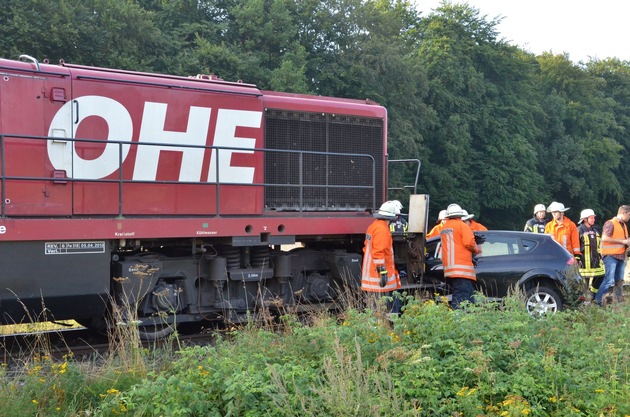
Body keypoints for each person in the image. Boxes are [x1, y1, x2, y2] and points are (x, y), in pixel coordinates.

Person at [361, 201, 402, 314]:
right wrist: (382, 270)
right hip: (378, 275)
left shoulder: (373, 226)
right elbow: (379, 251)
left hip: (371, 272)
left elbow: (368, 248)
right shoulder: (382, 230)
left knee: (374, 306)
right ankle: (389, 325)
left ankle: (375, 327)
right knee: (385, 304)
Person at [440, 203, 482, 309]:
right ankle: (458, 321)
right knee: (461, 298)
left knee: (469, 297)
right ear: (460, 215)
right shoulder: (462, 226)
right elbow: (469, 243)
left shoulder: (444, 228)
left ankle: (470, 319)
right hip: (462, 269)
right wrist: (476, 249)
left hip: (449, 269)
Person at [596, 205, 630, 306]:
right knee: (608, 280)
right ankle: (598, 301)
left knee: (619, 281)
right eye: (629, 214)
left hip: (620, 256)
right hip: (610, 256)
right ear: (623, 213)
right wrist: (623, 241)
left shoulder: (623, 225)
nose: (629, 217)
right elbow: (605, 238)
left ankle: (618, 302)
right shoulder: (610, 223)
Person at [577, 209, 605, 299]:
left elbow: (599, 245)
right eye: (591, 218)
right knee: (584, 284)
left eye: (594, 218)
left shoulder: (596, 230)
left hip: (596, 261)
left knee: (601, 276)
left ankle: (592, 294)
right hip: (584, 262)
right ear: (585, 219)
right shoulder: (579, 230)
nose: (594, 219)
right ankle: (583, 301)